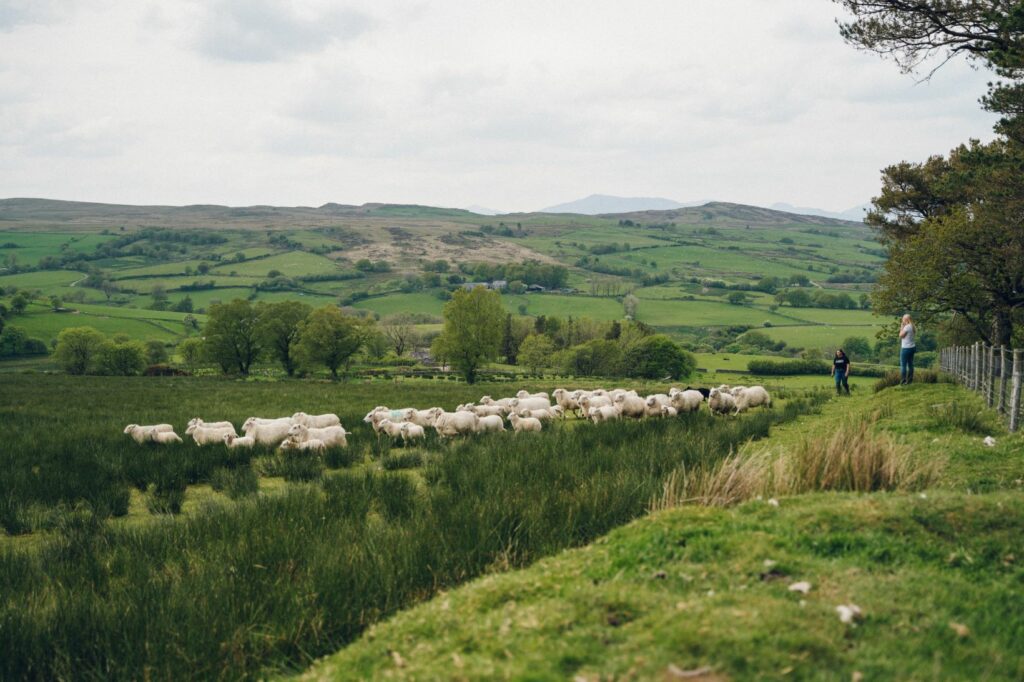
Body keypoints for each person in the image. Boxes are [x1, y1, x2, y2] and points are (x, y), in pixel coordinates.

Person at [899, 313, 916, 385]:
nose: (902, 320)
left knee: (903, 365)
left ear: (905, 319)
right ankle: (910, 381)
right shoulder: (912, 326)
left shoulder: (907, 327)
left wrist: (901, 327)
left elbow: (900, 336)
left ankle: (903, 381)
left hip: (906, 348)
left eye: (903, 318)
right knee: (910, 364)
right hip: (912, 347)